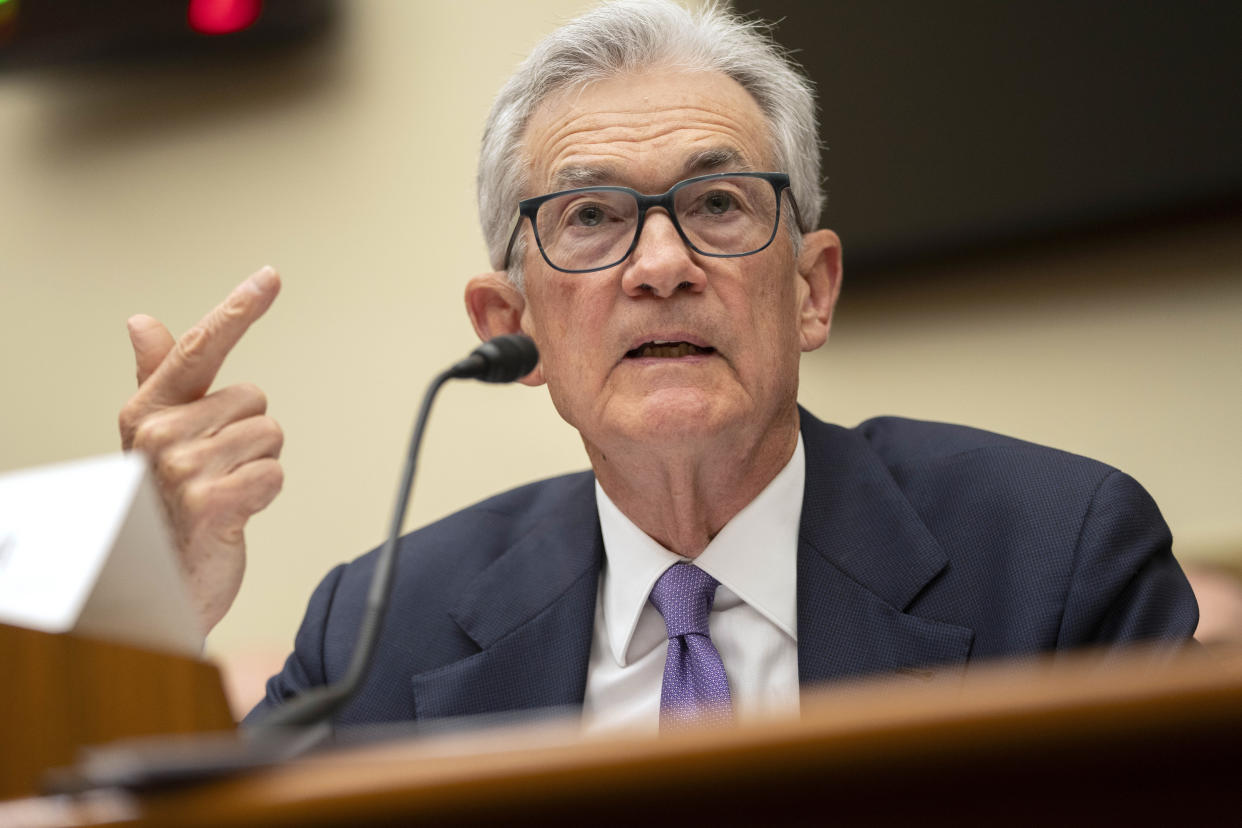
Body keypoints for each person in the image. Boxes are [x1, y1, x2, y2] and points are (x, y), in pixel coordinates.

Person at [117, 0, 1197, 732]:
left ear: (812, 290)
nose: (663, 265)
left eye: (718, 204)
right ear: (512, 322)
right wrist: (155, 605)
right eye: (590, 217)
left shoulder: (1057, 562)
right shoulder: (379, 629)